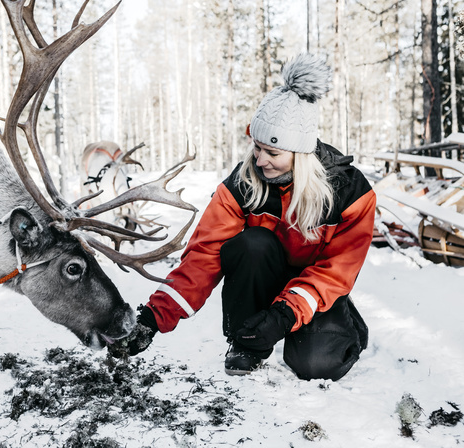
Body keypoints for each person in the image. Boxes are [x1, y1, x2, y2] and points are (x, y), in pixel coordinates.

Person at [109, 53, 376, 382]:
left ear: (301, 153)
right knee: (251, 244)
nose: (260, 160)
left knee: (316, 365)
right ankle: (246, 343)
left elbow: (337, 271)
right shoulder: (242, 184)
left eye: (273, 152)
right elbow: (203, 256)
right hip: (262, 274)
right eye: (257, 147)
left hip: (315, 285)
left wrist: (283, 315)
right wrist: (152, 318)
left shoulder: (350, 192)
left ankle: (343, 323)